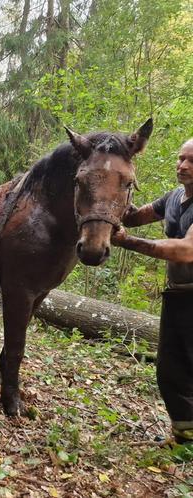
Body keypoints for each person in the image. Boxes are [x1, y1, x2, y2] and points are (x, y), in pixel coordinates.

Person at [111, 138, 193, 444]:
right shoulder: (173, 198)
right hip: (177, 296)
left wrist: (129, 241)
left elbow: (186, 250)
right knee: (171, 371)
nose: (183, 165)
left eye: (191, 161)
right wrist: (113, 192)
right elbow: (134, 217)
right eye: (181, 158)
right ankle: (184, 436)